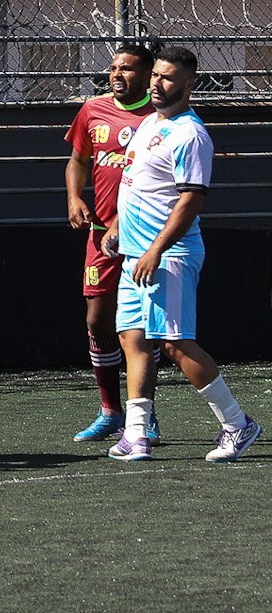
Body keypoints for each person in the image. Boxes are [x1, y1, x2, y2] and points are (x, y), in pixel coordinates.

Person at [105, 46, 259, 462]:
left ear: (189, 85)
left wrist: (156, 249)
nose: (156, 83)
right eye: (154, 75)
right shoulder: (149, 123)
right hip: (133, 254)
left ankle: (238, 424)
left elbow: (191, 200)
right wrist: (119, 228)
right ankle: (136, 435)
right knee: (132, 338)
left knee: (175, 344)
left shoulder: (191, 134)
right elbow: (137, 183)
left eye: (167, 78)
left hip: (168, 255)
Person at [64, 43, 157, 442]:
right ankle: (111, 411)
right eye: (113, 68)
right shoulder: (92, 109)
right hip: (101, 235)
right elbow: (78, 160)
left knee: (141, 329)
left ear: (149, 75)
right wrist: (74, 197)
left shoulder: (162, 116)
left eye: (128, 69)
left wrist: (126, 218)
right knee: (97, 320)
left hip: (146, 235)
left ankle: (144, 416)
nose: (117, 75)